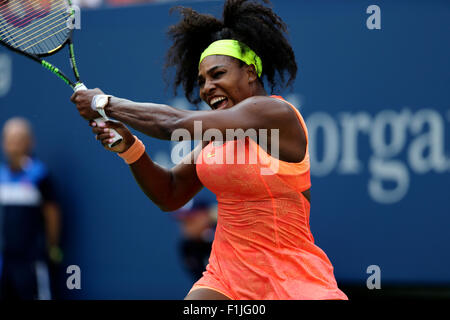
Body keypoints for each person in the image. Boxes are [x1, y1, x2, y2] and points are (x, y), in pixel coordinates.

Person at [71, 0, 348, 300]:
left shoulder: (273, 113)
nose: (206, 88)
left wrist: (104, 103)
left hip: (295, 282)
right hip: (225, 279)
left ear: (251, 72)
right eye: (202, 81)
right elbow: (171, 193)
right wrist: (130, 150)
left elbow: (173, 124)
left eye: (218, 75)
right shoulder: (216, 139)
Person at [0, 117, 63, 300]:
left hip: (32, 262)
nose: (14, 145)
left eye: (19, 139)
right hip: (4, 262)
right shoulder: (1, 176)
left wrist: (52, 247)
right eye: (10, 139)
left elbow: (52, 213)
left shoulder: (40, 175)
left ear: (30, 142)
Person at [172, 197, 217, 282]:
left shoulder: (224, 235)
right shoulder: (187, 247)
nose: (185, 227)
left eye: (190, 220)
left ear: (205, 215)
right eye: (182, 221)